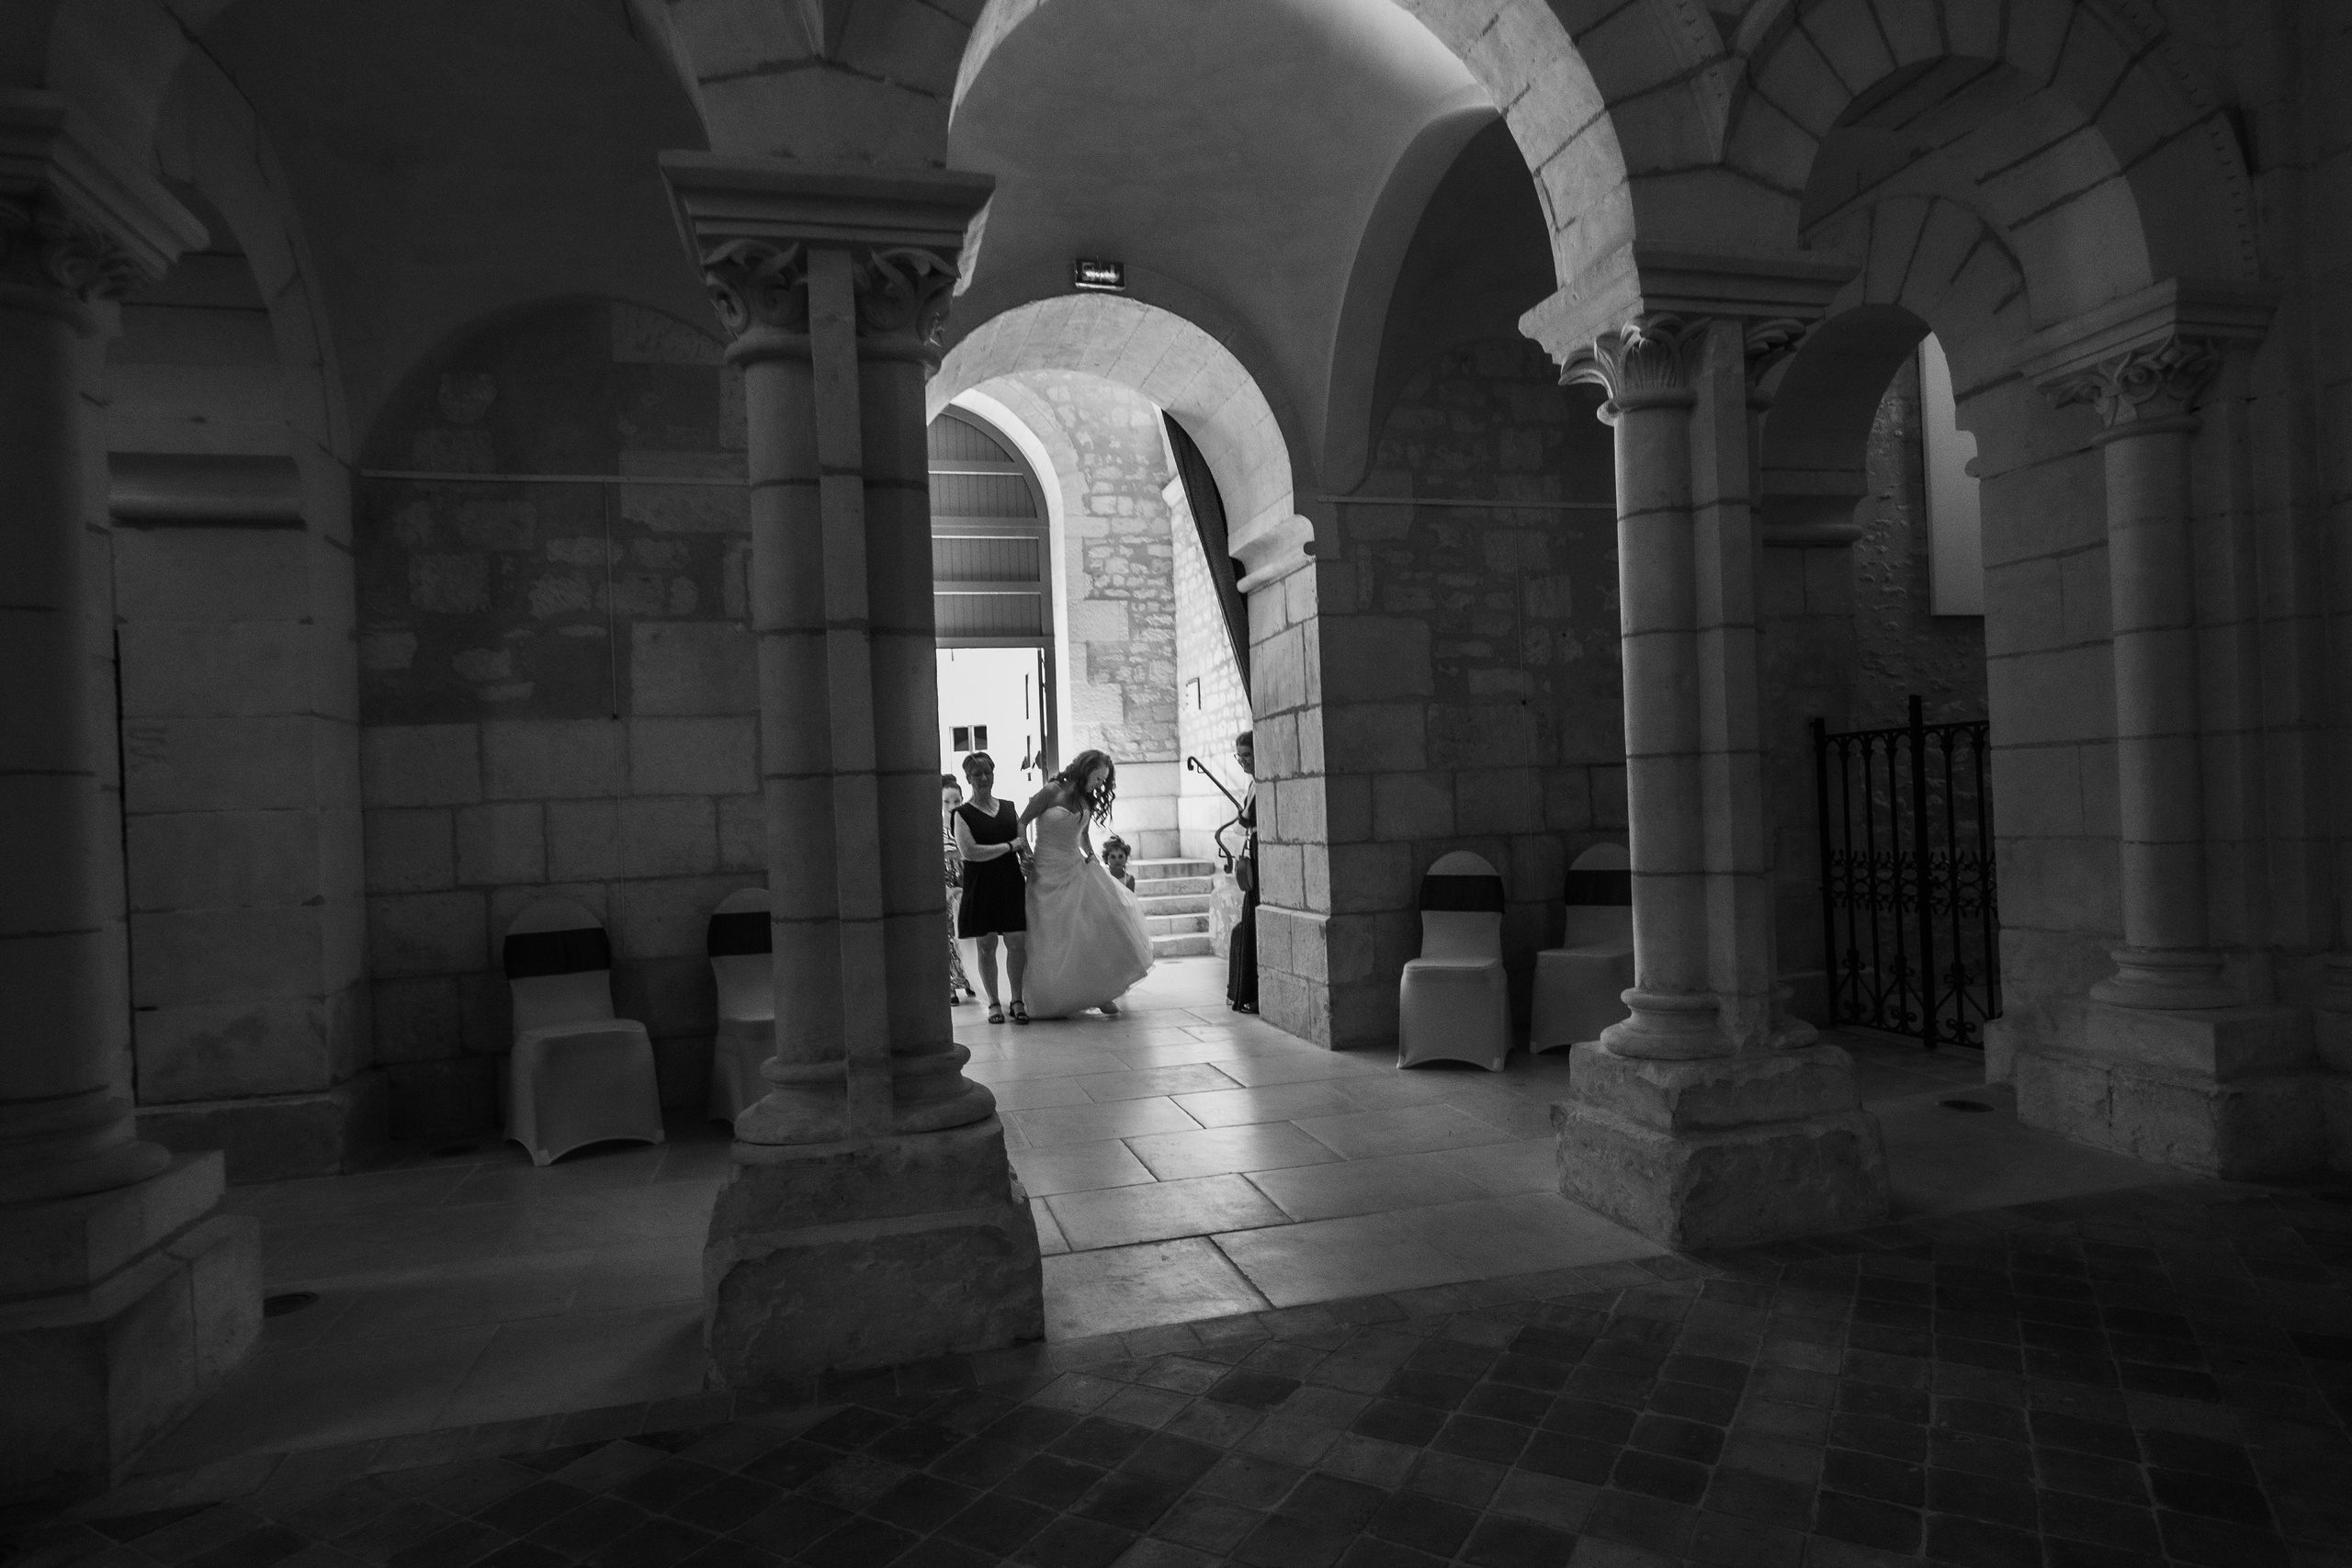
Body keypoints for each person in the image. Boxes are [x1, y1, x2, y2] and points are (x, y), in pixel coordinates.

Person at [1018, 750, 1153, 1019]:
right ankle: (1053, 994)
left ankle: (1101, 991)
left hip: (1075, 867)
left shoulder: (1085, 798)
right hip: (1045, 870)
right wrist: (1025, 852)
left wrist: (1090, 854)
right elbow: (1022, 822)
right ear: (1085, 769)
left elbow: (1083, 834)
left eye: (1104, 780)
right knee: (1051, 934)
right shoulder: (1051, 791)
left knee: (1098, 925)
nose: (1100, 784)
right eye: (1098, 777)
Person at [952, 751, 1029, 1023]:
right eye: (977, 774)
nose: (983, 778)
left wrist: (1028, 860)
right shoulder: (961, 814)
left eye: (988, 772)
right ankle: (994, 1003)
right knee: (986, 945)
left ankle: (1017, 1000)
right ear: (968, 778)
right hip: (981, 885)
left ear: (994, 774)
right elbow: (970, 852)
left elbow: (1024, 846)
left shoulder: (1009, 807)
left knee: (1017, 941)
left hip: (1010, 882)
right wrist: (1009, 847)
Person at [1227, 730, 1259, 1013]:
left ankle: (1253, 993)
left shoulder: (1262, 783)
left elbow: (1247, 819)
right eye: (1240, 756)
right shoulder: (1252, 785)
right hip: (1255, 850)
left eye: (1247, 755)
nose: (1243, 762)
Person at [941, 774, 977, 1005]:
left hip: (967, 883)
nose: (953, 806)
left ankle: (971, 978)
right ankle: (951, 984)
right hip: (944, 886)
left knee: (968, 933)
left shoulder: (968, 825)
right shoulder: (933, 830)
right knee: (948, 935)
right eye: (947, 801)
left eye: (957, 801)